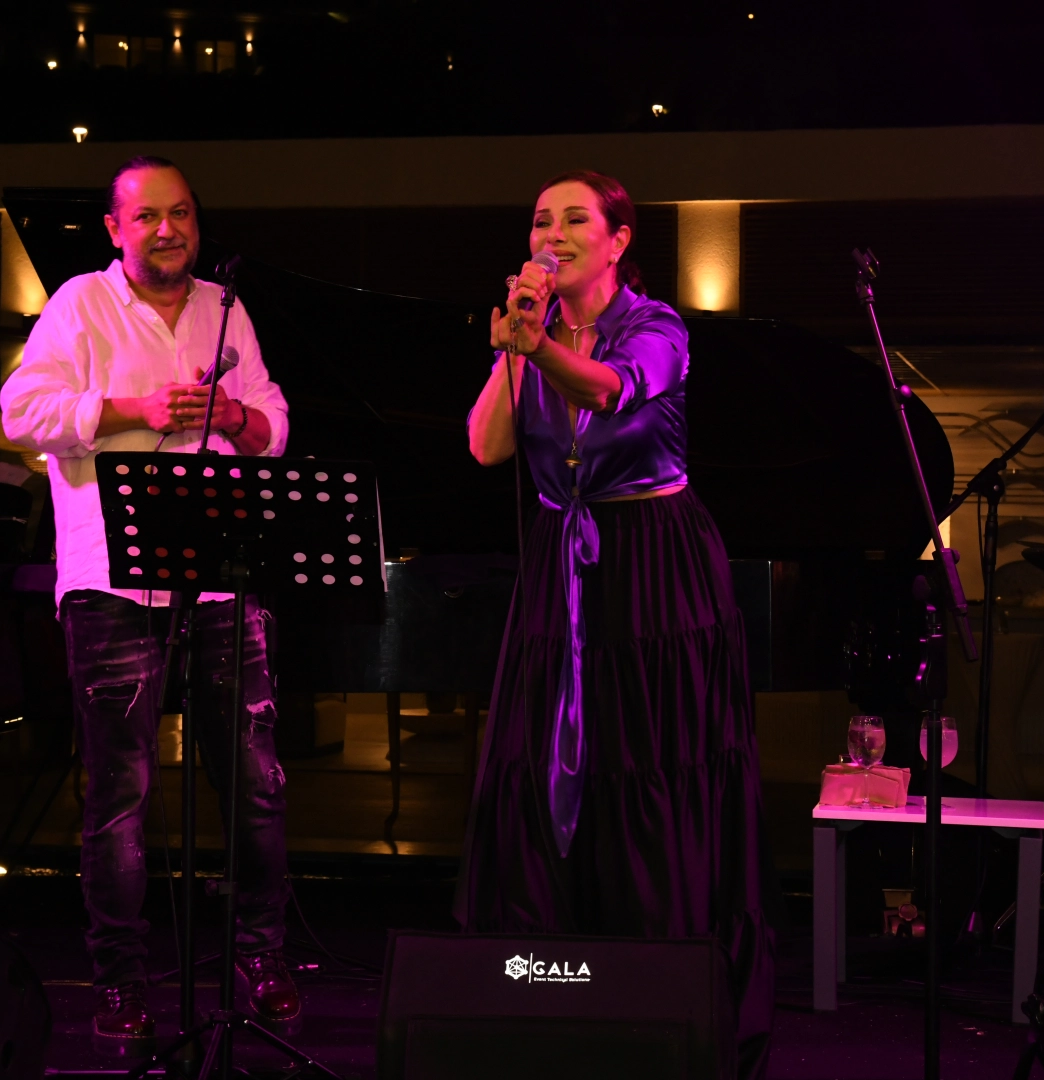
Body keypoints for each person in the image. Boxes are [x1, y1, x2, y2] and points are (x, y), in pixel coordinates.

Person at [459, 170, 776, 1078]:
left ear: (618, 240)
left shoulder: (658, 326)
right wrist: (518, 345)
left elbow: (610, 392)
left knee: (650, 765)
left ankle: (659, 994)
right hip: (558, 564)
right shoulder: (529, 329)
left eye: (574, 219)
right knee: (545, 764)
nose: (552, 235)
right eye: (540, 221)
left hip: (653, 568)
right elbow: (485, 445)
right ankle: (550, 997)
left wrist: (538, 347)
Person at [0, 155, 298, 1041]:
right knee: (120, 795)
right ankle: (120, 980)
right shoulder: (78, 304)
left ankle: (259, 956)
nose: (168, 230)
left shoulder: (224, 307)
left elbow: (275, 422)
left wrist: (238, 418)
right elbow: (21, 414)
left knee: (254, 784)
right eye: (147, 216)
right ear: (115, 229)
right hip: (112, 582)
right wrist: (135, 409)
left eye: (182, 214)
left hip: (220, 577)